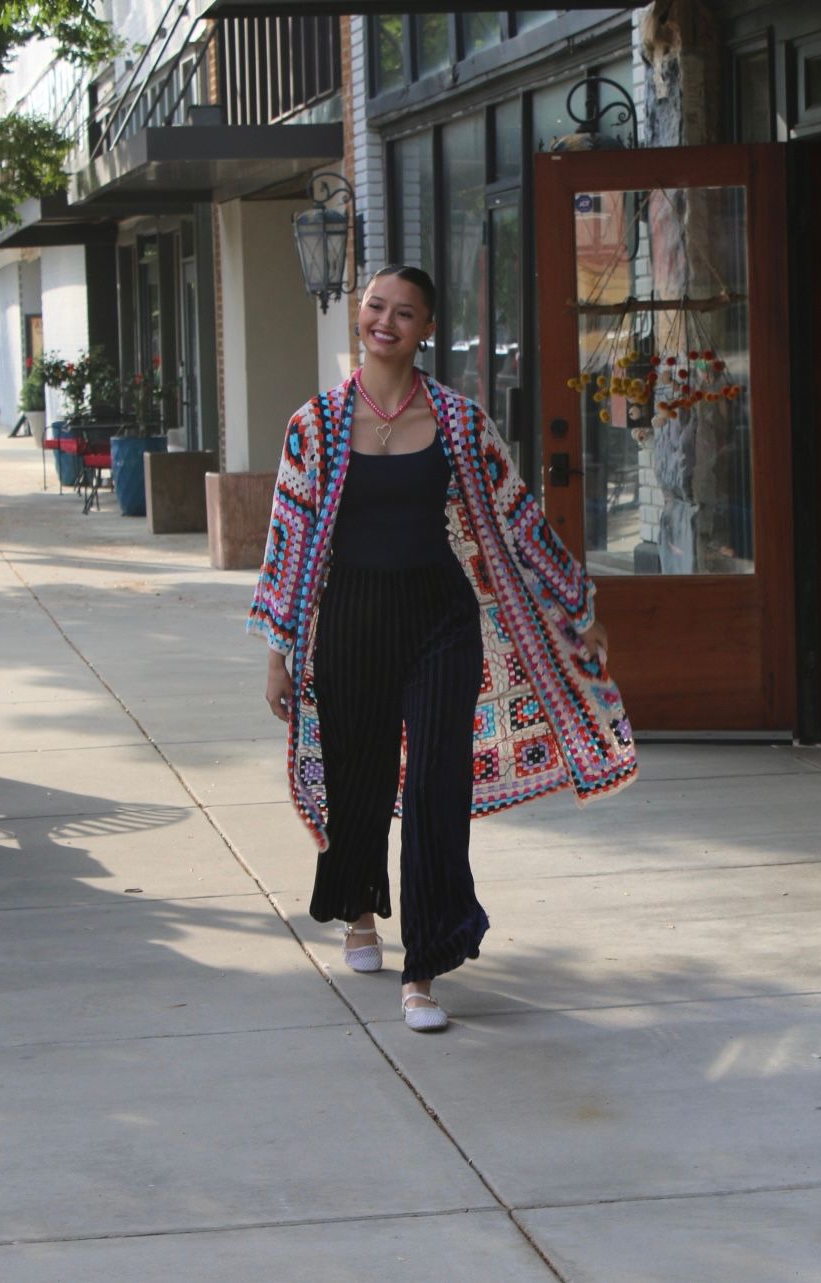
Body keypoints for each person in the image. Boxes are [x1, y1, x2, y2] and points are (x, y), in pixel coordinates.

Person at [249, 264, 637, 1033]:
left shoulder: (460, 420)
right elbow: (286, 545)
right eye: (373, 306)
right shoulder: (315, 424)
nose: (384, 321)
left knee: (434, 789)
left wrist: (576, 606)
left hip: (441, 622)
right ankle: (359, 909)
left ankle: (422, 966)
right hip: (351, 618)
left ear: (427, 328)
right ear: (359, 315)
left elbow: (519, 519)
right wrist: (278, 651)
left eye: (404, 312)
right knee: (357, 779)